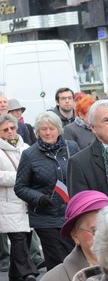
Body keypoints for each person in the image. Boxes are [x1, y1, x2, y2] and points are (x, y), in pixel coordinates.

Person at [14, 112, 80, 270]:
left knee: (75, 258)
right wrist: (39, 198)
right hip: (46, 218)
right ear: (37, 132)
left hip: (71, 214)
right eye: (43, 129)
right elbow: (20, 187)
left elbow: (82, 175)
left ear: (59, 130)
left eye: (51, 128)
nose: (48, 132)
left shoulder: (72, 148)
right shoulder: (29, 154)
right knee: (59, 261)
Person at [0, 114, 39, 281]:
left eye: (12, 128)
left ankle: (15, 273)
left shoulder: (26, 148)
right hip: (7, 201)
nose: (10, 132)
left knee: (27, 235)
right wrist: (21, 177)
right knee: (18, 237)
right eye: (5, 129)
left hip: (26, 199)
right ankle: (28, 272)